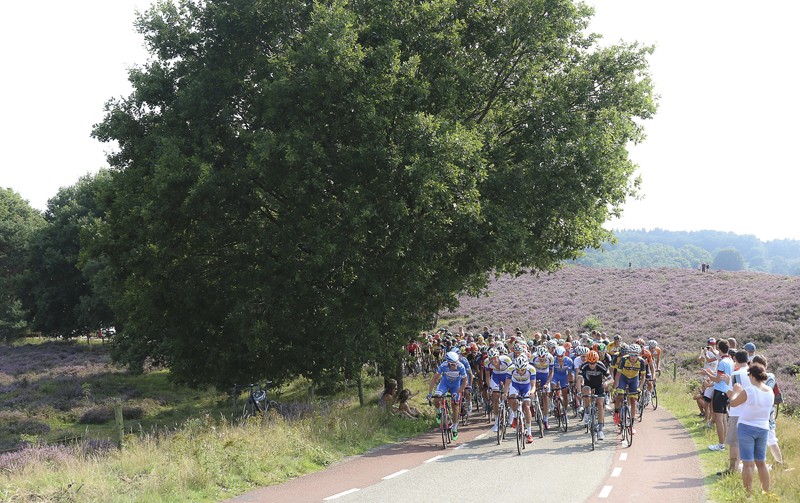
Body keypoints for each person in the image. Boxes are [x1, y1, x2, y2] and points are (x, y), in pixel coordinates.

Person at [726, 363, 774, 495]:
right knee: (761, 462)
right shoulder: (769, 391)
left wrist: (736, 391)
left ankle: (748, 493)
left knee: (748, 463)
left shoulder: (750, 390)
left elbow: (733, 403)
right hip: (763, 428)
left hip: (747, 427)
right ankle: (766, 492)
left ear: (752, 376)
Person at [428, 351, 468, 439]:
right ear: (449, 363)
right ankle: (439, 411)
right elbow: (434, 379)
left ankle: (454, 427)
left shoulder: (461, 366)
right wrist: (430, 393)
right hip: (444, 384)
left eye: (456, 363)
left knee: (455, 405)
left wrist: (457, 393)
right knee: (437, 398)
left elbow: (465, 382)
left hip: (456, 386)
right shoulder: (443, 366)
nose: (456, 366)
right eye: (453, 364)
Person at [703, 339, 733, 451]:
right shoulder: (730, 361)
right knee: (724, 418)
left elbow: (717, 379)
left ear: (719, 349)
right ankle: (723, 443)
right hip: (726, 391)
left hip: (719, 391)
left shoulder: (722, 363)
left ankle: (721, 444)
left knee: (719, 419)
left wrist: (706, 373)